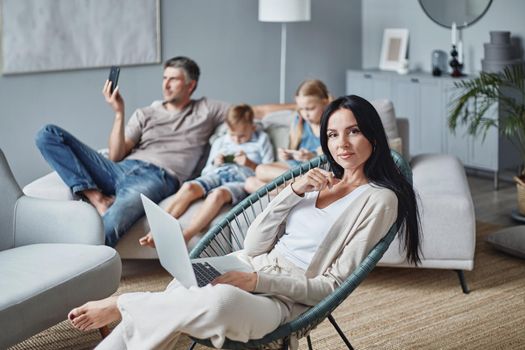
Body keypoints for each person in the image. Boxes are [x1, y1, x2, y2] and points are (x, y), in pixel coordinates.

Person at [67, 95, 421, 350]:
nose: (341, 144)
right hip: (246, 263)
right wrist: (293, 191)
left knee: (215, 303)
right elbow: (253, 245)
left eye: (353, 131)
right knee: (179, 295)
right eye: (332, 134)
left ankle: (123, 304)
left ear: (373, 135)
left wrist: (255, 282)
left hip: (282, 298)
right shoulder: (318, 179)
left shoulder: (379, 199)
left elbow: (330, 286)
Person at [35, 56, 290, 247]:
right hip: (118, 168)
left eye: (173, 79)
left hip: (157, 177)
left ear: (190, 85)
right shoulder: (146, 113)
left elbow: (255, 112)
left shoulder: (207, 109)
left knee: (106, 229)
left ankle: (75, 265)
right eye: (164, 78)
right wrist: (119, 113)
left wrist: (307, 105)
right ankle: (96, 197)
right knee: (48, 134)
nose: (166, 85)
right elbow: (115, 155)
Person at [139, 104, 274, 247]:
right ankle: (157, 230)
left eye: (242, 136)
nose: (236, 140)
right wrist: (216, 162)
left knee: (217, 195)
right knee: (189, 186)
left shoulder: (262, 140)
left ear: (252, 127)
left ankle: (185, 236)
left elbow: (267, 170)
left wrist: (250, 164)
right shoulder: (221, 141)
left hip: (241, 180)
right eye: (232, 135)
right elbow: (206, 171)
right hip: (218, 173)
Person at [244, 79, 330, 193]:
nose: (306, 114)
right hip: (297, 168)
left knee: (260, 170)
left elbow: (331, 158)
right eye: (301, 109)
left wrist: (312, 156)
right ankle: (300, 189)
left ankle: (306, 184)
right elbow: (266, 119)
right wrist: (289, 155)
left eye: (310, 108)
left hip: (316, 171)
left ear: (325, 102)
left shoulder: (331, 124)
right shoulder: (299, 121)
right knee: (251, 182)